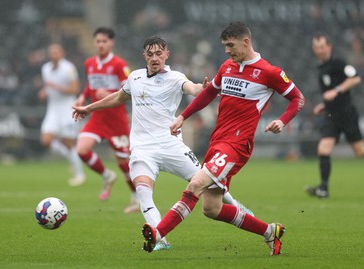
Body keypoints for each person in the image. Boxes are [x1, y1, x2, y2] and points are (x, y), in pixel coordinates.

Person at [73, 36, 254, 251]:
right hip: (142, 149)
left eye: (159, 53)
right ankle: (159, 236)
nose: (154, 58)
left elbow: (192, 87)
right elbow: (118, 97)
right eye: (150, 54)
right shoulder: (135, 77)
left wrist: (202, 88)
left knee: (210, 182)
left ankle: (236, 205)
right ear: (144, 57)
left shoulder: (175, 77)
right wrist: (89, 108)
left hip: (171, 146)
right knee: (143, 192)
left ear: (166, 55)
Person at [141, 22, 305, 256]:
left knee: (194, 185)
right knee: (212, 208)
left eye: (231, 45)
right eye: (225, 46)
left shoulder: (269, 72)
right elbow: (209, 93)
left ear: (245, 42)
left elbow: (298, 98)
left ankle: (158, 233)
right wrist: (182, 117)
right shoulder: (227, 66)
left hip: (237, 145)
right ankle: (270, 231)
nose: (227, 51)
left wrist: (282, 120)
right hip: (218, 142)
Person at [73, 27, 138, 213]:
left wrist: (109, 94)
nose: (101, 44)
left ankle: (135, 198)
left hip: (117, 121)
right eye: (98, 41)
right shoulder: (89, 63)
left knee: (124, 164)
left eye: (104, 41)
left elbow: (129, 90)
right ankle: (106, 175)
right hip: (97, 118)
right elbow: (91, 86)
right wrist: (82, 97)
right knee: (81, 150)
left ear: (111, 43)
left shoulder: (119, 65)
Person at [306, 32, 364, 198]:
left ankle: (323, 188)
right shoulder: (322, 67)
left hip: (346, 114)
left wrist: (336, 91)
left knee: (361, 152)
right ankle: (323, 189)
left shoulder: (338, 62)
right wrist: (324, 105)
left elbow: (356, 78)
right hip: (332, 115)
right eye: (316, 47)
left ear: (329, 47)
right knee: (323, 148)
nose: (319, 50)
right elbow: (329, 94)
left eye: (322, 47)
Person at [39, 43, 85, 184]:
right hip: (53, 109)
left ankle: (79, 174)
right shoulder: (45, 68)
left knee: (69, 142)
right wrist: (44, 91)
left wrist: (56, 87)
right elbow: (48, 86)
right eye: (52, 52)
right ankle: (71, 159)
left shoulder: (68, 68)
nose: (54, 55)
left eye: (56, 52)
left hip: (67, 108)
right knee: (46, 141)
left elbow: (75, 89)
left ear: (62, 53)